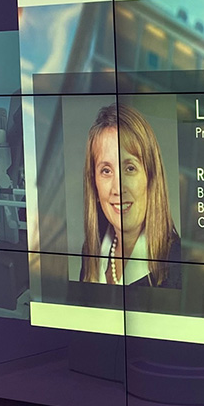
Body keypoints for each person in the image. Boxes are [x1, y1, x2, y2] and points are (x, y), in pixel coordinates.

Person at [80, 104, 181, 288]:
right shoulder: (90, 251)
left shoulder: (177, 266)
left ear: (151, 178)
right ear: (94, 184)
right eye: (106, 170)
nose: (118, 188)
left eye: (130, 168)